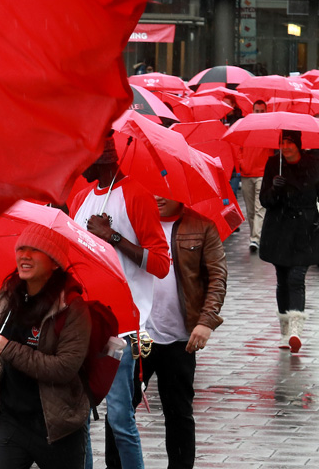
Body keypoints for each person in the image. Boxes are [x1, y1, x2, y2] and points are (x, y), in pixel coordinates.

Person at [70, 136, 170, 469]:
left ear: (101, 158)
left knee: (120, 421)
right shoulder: (82, 198)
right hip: (81, 323)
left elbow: (160, 263)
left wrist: (113, 237)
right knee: (78, 418)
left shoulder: (136, 195)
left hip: (121, 328)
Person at [0, 225, 91, 469]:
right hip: (11, 422)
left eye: (35, 250)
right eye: (21, 249)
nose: (24, 256)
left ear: (55, 263)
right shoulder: (8, 296)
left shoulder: (72, 307)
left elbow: (65, 368)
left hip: (58, 428)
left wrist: (11, 349)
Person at [144, 195, 228, 469]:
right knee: (120, 413)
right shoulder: (136, 223)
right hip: (138, 336)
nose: (157, 197)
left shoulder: (201, 226)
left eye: (164, 191)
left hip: (181, 339)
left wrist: (206, 321)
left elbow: (217, 276)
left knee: (179, 412)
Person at [259, 129, 319, 352]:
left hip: (306, 230)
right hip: (279, 230)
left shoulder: (314, 163)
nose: (285, 147)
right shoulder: (274, 164)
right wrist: (274, 188)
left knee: (296, 277)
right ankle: (284, 333)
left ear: (298, 144)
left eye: (289, 142)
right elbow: (264, 200)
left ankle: (295, 331)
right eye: (282, 142)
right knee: (282, 279)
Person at [240, 100, 271, 252]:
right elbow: (237, 146)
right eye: (257, 111)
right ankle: (256, 236)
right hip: (246, 173)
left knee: (259, 209)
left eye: (262, 111)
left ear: (266, 111)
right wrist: (241, 162)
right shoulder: (245, 127)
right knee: (251, 210)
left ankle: (255, 238)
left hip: (262, 174)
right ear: (252, 111)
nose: (259, 114)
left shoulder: (270, 129)